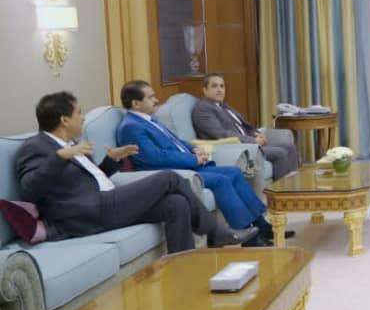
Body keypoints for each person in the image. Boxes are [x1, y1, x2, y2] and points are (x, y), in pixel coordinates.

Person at [15, 92, 256, 253]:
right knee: (169, 178)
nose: (83, 118)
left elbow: (91, 180)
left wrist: (111, 161)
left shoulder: (71, 144)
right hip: (87, 213)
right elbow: (29, 189)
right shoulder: (35, 147)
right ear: (64, 120)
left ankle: (183, 268)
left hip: (103, 202)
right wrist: (60, 157)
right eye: (79, 113)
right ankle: (216, 232)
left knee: (176, 204)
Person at [116, 81, 287, 246]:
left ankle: (262, 226)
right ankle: (247, 236)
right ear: (136, 103)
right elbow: (154, 157)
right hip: (170, 172)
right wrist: (193, 159)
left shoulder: (148, 120)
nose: (156, 100)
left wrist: (194, 148)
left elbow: (175, 141)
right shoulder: (131, 127)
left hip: (185, 164)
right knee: (221, 180)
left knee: (234, 172)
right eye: (150, 97)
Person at [192, 73, 299, 180]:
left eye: (222, 86)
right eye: (214, 86)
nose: (219, 90)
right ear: (205, 90)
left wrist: (256, 134)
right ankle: (282, 189)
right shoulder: (203, 109)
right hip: (236, 147)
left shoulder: (223, 106)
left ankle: (294, 185)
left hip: (248, 142)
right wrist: (253, 140)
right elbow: (221, 134)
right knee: (280, 153)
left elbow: (244, 125)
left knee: (290, 147)